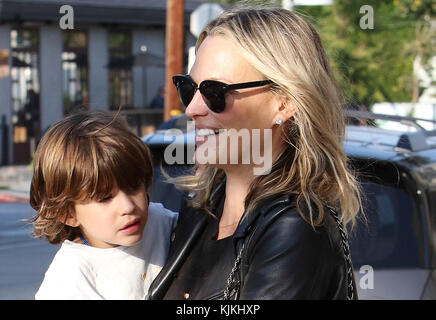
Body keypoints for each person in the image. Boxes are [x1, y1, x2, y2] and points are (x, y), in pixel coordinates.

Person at [148, 6, 363, 300]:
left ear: (284, 103)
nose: (192, 109)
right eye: (189, 88)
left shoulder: (295, 226)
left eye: (214, 92)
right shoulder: (201, 210)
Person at [30, 110, 178, 300]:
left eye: (133, 187)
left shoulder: (162, 222)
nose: (127, 207)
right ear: (67, 214)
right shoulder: (69, 279)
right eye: (105, 198)